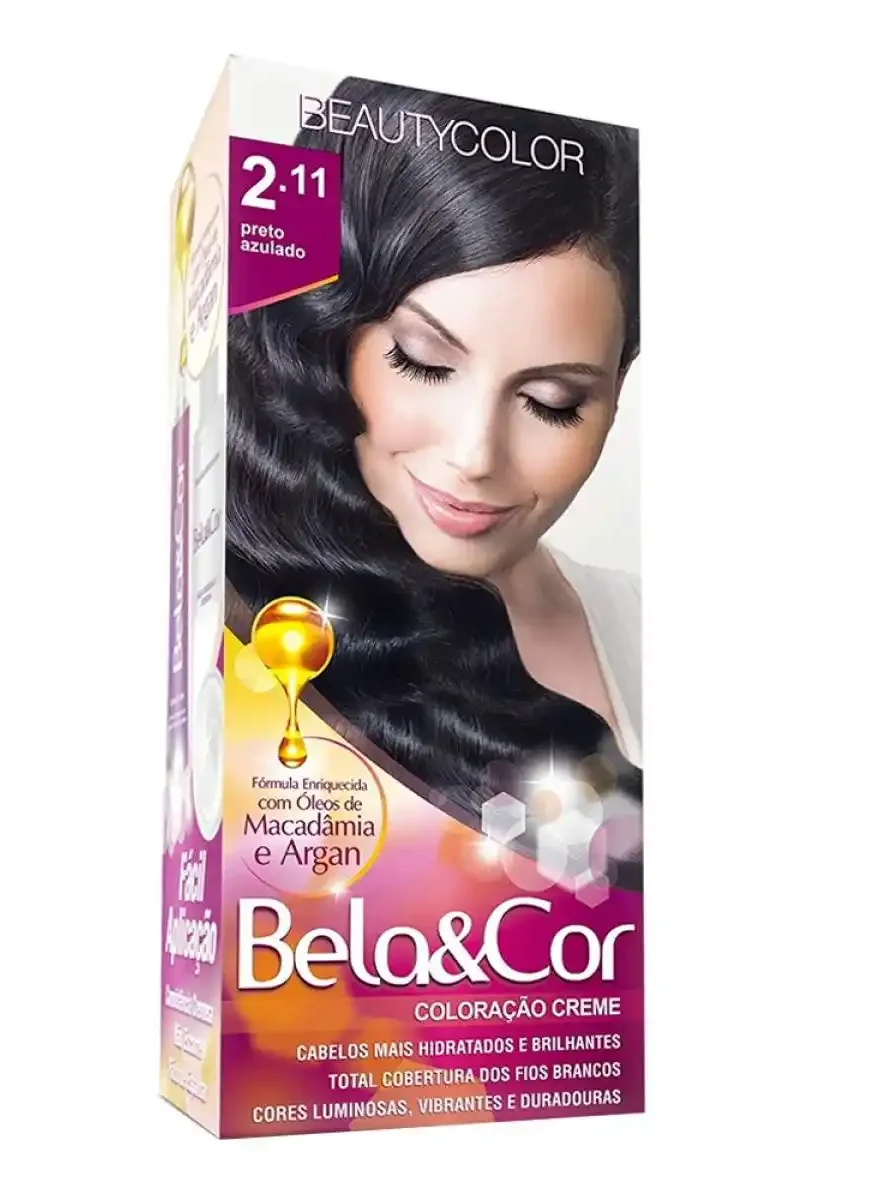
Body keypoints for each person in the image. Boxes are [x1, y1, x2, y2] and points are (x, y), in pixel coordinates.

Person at [226, 77, 642, 885]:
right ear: (329, 336)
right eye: (421, 362)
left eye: (552, 402)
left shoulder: (639, 625)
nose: (475, 454)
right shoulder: (238, 626)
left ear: (617, 391)